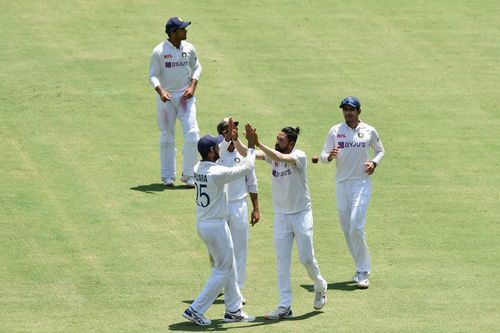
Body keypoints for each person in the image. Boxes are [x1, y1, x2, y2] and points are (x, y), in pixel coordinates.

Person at [233, 126, 328, 320]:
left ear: (291, 144)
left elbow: (281, 158)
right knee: (282, 262)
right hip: (281, 217)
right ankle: (285, 306)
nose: (277, 142)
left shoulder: (299, 156)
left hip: (301, 214)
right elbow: (246, 152)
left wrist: (258, 142)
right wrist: (235, 140)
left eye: (281, 140)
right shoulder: (273, 155)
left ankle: (320, 286)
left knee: (306, 258)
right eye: (277, 138)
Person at [182, 121, 257, 326]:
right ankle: (195, 309)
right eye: (215, 147)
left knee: (229, 264)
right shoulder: (217, 173)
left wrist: (229, 139)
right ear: (210, 152)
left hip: (205, 223)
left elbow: (218, 152)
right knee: (223, 269)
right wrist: (250, 145)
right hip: (215, 226)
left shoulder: (199, 167)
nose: (218, 148)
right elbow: (247, 167)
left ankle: (233, 310)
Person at [319, 96, 385, 289]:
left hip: (361, 183)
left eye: (351, 109)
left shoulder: (369, 130)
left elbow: (380, 151)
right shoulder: (335, 131)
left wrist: (374, 163)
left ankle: (364, 270)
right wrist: (329, 156)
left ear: (358, 112)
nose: (348, 112)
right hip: (342, 184)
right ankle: (359, 268)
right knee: (348, 230)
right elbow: (323, 156)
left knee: (356, 226)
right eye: (345, 109)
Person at [149, 16, 202, 188]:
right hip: (166, 99)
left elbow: (197, 67)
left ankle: (189, 175)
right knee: (167, 137)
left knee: (193, 134)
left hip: (186, 98)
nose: (185, 31)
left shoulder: (189, 48)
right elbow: (153, 75)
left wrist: (193, 86)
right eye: (182, 29)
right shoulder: (159, 51)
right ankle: (167, 176)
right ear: (173, 33)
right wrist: (161, 91)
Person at [212, 118, 260, 304]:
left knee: (239, 248)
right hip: (220, 205)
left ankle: (237, 288)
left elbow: (252, 181)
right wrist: (227, 141)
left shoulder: (243, 154)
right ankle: (218, 284)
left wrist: (256, 208)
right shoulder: (217, 153)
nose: (233, 132)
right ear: (222, 134)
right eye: (228, 130)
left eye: (235, 129)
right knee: (218, 249)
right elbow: (222, 148)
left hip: (239, 205)